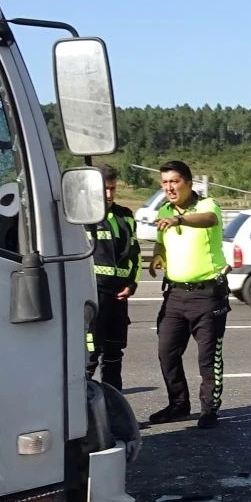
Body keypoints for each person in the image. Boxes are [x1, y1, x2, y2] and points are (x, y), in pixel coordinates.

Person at [146, 160, 228, 429]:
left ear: (189, 183)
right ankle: (179, 404)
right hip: (175, 296)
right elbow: (162, 239)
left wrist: (179, 219)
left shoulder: (206, 206)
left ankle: (209, 410)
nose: (169, 187)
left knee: (208, 358)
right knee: (166, 352)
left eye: (174, 182)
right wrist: (158, 255)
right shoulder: (164, 210)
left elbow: (209, 220)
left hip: (207, 296)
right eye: (165, 183)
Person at [85, 165, 139, 391]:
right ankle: (83, 418)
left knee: (114, 359)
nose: (109, 195)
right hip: (92, 299)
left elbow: (134, 256)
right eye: (104, 189)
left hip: (118, 300)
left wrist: (131, 285)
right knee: (88, 358)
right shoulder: (81, 217)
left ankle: (113, 413)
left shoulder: (125, 216)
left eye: (113, 189)